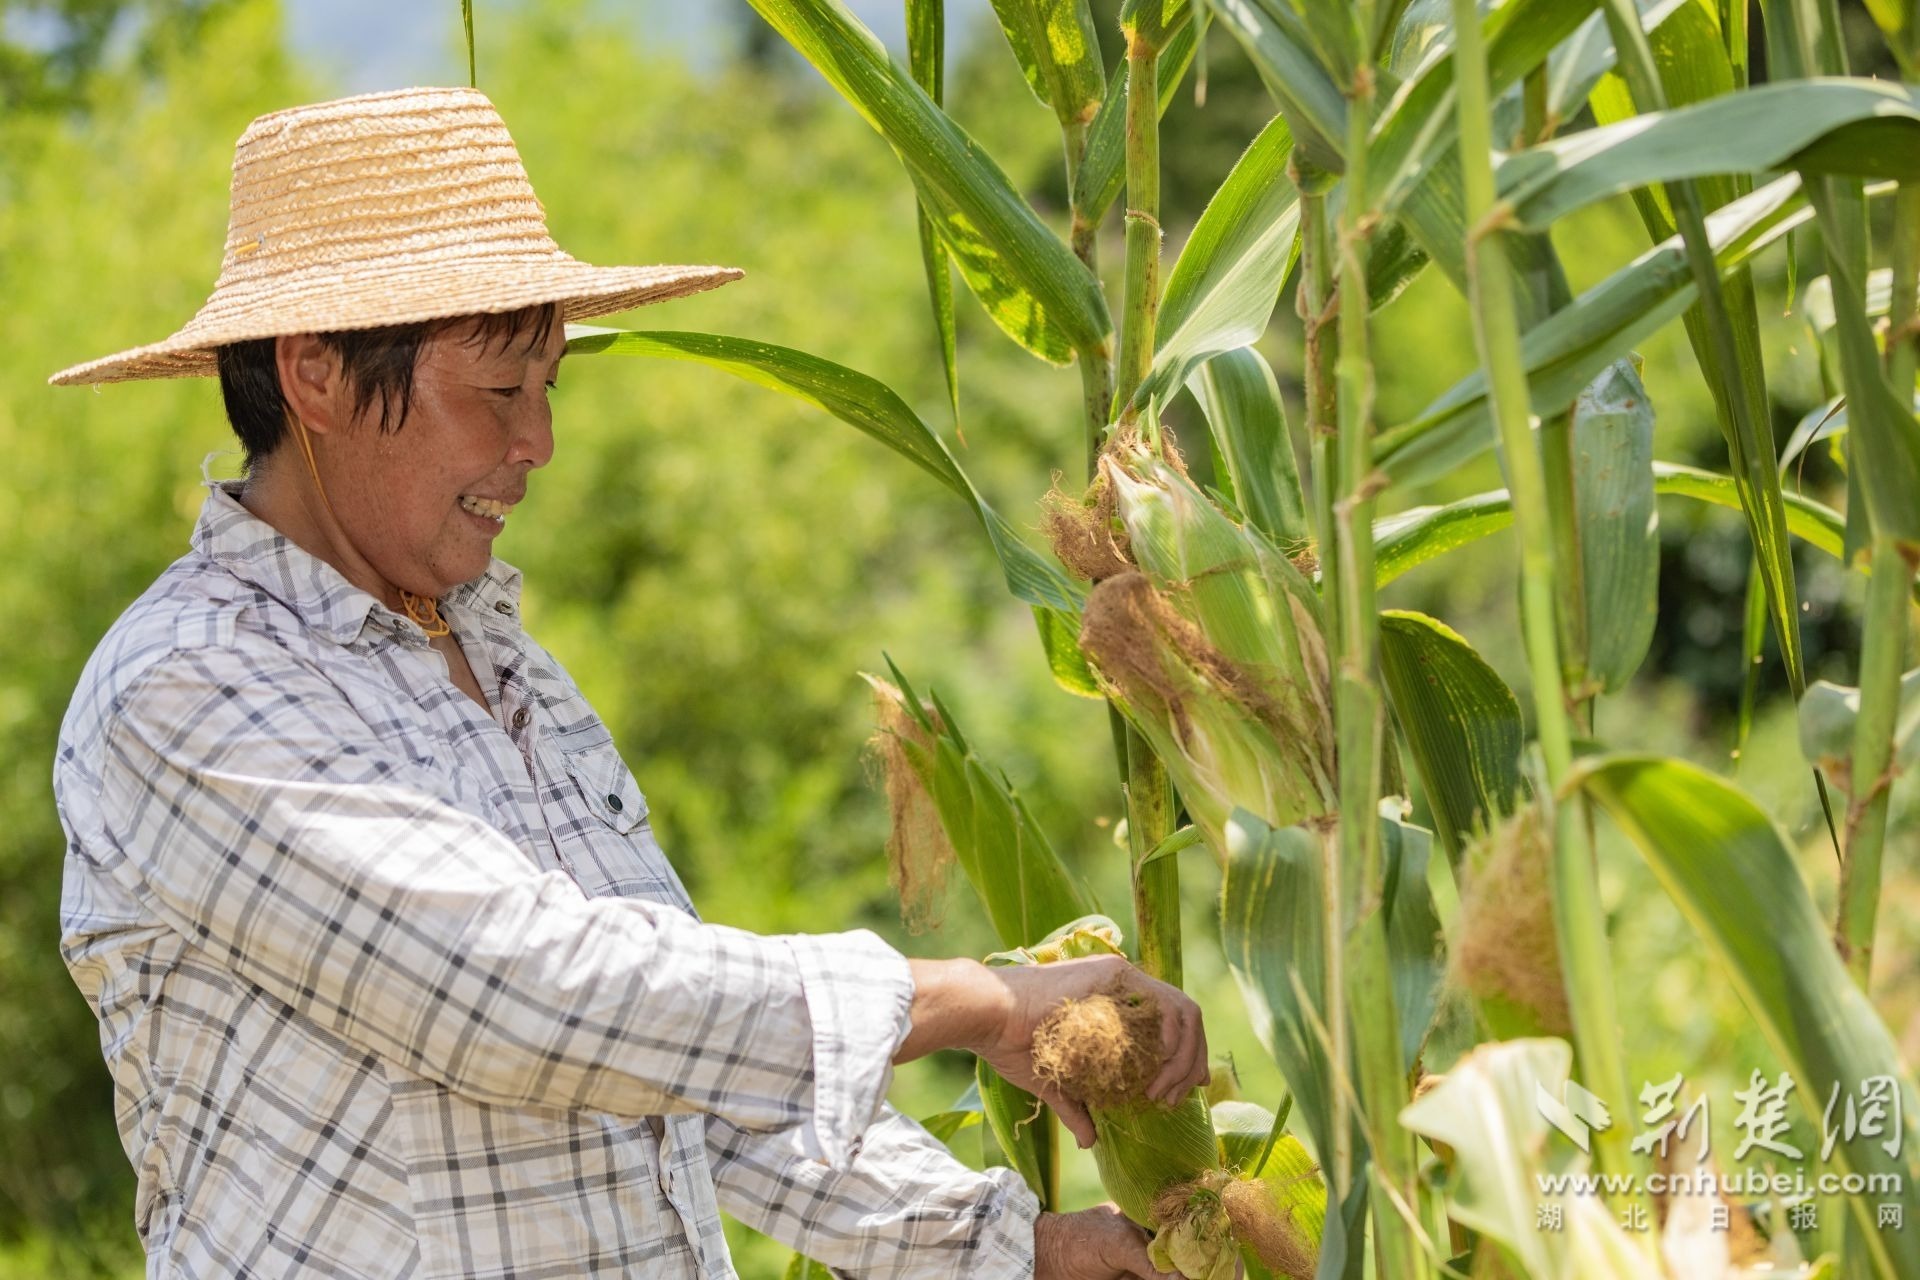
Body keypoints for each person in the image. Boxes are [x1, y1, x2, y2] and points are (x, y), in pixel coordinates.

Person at [48, 87, 1207, 1279]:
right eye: (498, 391)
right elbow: (524, 995)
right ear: (317, 376)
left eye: (547, 387)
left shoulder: (508, 666)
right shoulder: (188, 685)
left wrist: (1015, 1246)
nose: (538, 443)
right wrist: (977, 999)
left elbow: (678, 1056)